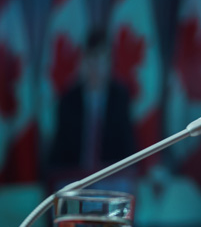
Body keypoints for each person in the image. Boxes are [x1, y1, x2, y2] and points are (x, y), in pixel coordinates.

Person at [46, 29, 136, 178]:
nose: (96, 67)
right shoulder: (68, 100)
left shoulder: (120, 98)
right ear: (83, 61)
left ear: (110, 63)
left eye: (102, 60)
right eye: (91, 59)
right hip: (76, 181)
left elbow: (129, 153)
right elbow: (57, 157)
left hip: (110, 181)